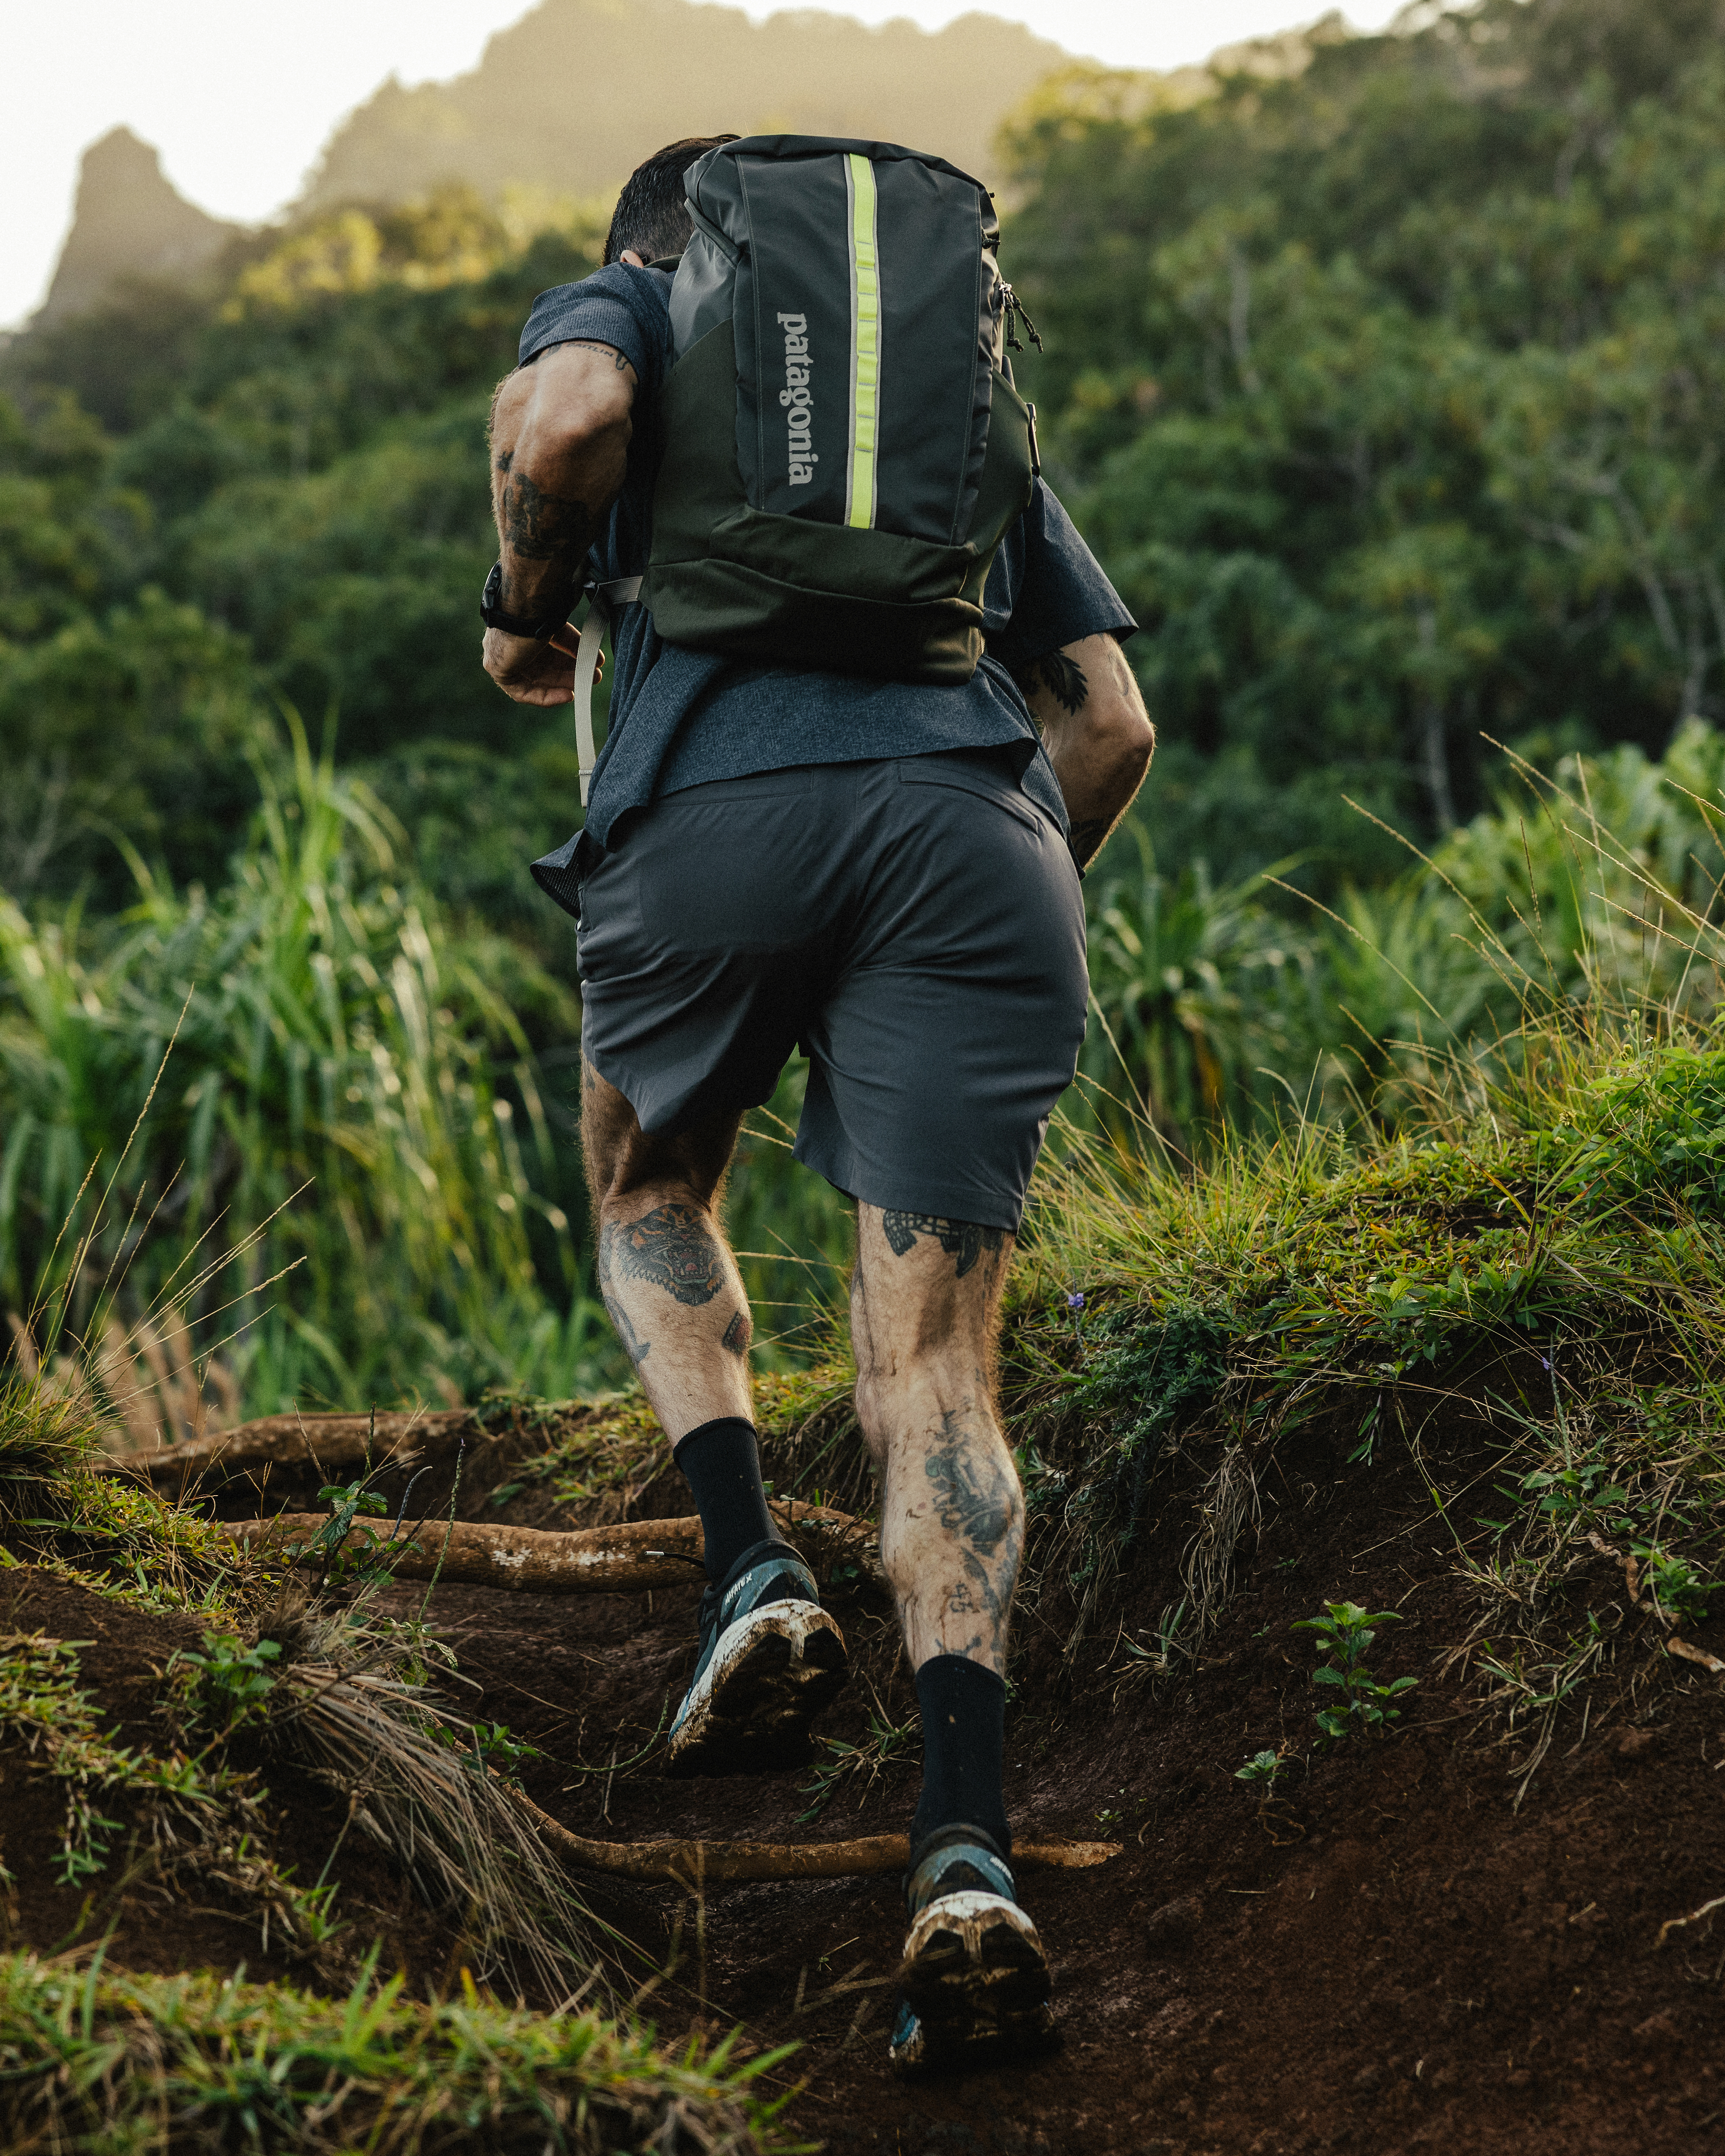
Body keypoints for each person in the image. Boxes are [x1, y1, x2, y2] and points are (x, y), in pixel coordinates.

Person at [480, 135, 1152, 2072]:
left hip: (707, 833)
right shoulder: (945, 419)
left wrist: (528, 594)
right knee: (940, 1375)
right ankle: (964, 1853)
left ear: (660, 248)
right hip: (977, 842)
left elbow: (571, 425)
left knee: (645, 1181)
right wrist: (972, 920)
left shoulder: (627, 301)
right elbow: (1109, 720)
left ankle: (752, 1564)